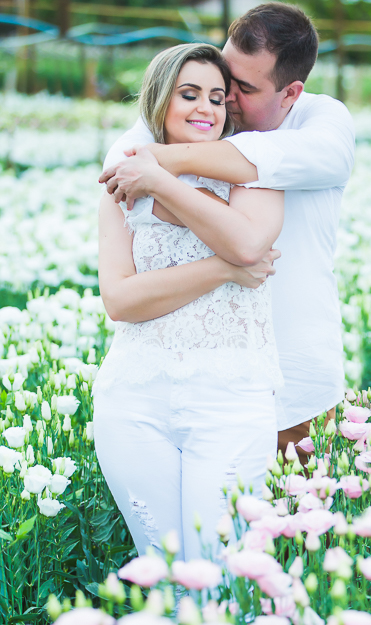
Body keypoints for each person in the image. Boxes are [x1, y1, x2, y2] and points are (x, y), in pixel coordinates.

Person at [100, 3, 356, 463]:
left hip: (295, 384)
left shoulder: (323, 120)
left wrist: (163, 163)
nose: (225, 97)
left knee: (299, 509)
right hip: (205, 384)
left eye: (244, 88)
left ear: (291, 92)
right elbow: (120, 165)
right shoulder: (207, 113)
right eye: (225, 77)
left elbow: (270, 158)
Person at [94, 42, 284, 560]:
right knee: (163, 571)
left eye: (218, 98)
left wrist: (159, 180)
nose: (207, 108)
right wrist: (222, 270)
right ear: (160, 100)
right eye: (190, 94)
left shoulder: (255, 169)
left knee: (219, 573)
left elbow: (247, 245)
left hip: (231, 398)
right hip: (134, 397)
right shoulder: (122, 179)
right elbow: (120, 299)